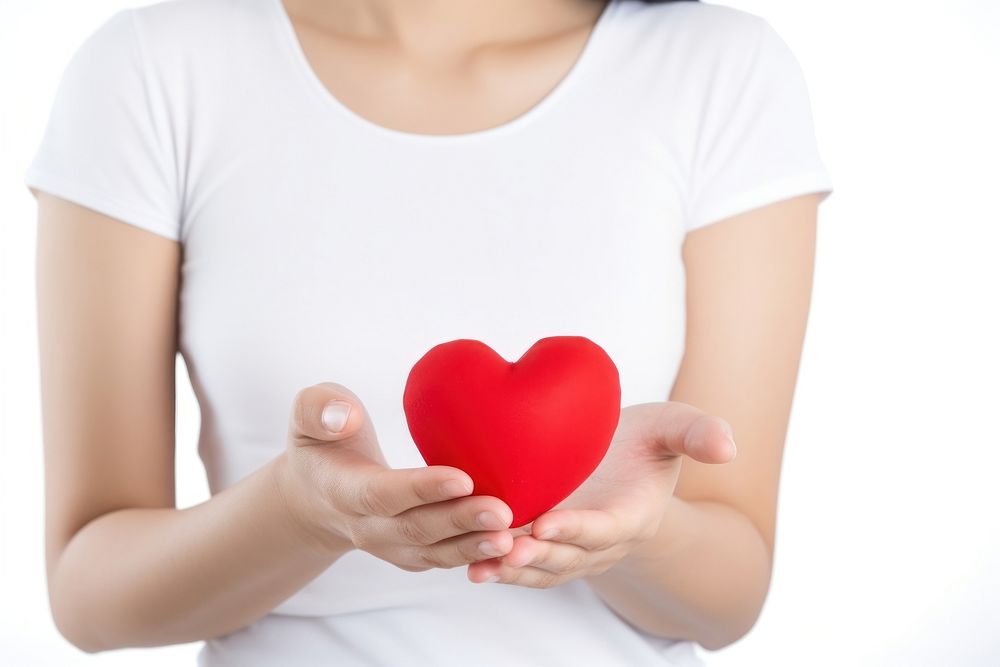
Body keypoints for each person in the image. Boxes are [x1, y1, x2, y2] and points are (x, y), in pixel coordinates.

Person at [25, 0, 833, 664]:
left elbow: (732, 598)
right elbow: (89, 597)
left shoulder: (721, 69)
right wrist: (300, 514)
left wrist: (640, 529)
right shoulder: (151, 66)